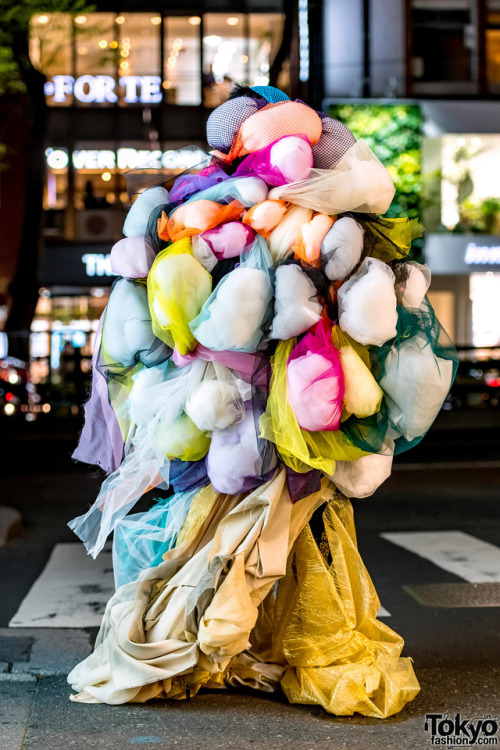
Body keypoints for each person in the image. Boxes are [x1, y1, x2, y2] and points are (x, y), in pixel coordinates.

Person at [67, 85, 457, 716]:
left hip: (251, 403)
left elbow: (171, 314)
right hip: (263, 404)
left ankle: (240, 633)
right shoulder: (261, 209)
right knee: (276, 518)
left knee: (258, 517)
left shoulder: (217, 203)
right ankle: (256, 633)